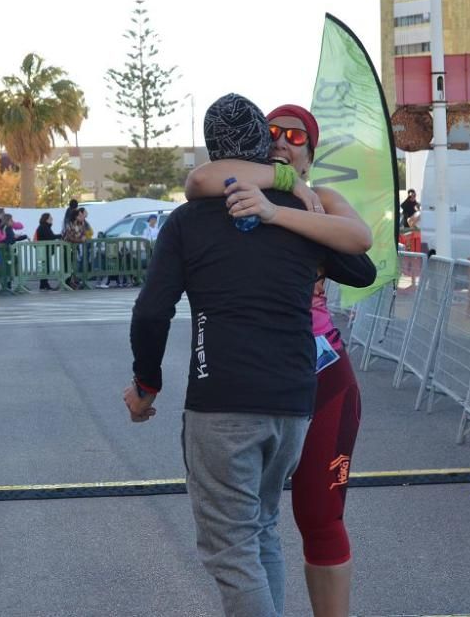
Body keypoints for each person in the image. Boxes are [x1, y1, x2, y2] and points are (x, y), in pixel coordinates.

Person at [126, 94, 373, 617]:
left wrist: (146, 385)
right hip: (292, 399)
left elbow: (151, 312)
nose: (285, 143)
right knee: (259, 532)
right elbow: (199, 182)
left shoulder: (280, 209)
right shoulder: (284, 205)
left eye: (297, 136)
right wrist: (285, 202)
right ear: (260, 144)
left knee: (237, 548)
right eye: (274, 133)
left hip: (234, 400)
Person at [35, 213, 60, 291]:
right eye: (50, 218)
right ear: (46, 219)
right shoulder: (43, 227)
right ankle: (44, 284)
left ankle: (44, 284)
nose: (52, 219)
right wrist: (60, 236)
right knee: (44, 267)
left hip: (44, 250)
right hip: (43, 250)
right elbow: (50, 236)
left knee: (45, 267)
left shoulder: (45, 226)